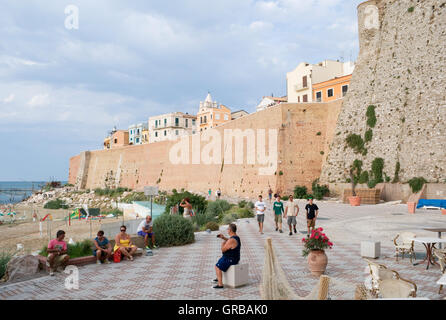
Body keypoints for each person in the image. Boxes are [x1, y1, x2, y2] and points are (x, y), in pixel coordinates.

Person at [213, 223, 241, 289]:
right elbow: (230, 241)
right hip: (233, 257)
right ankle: (219, 277)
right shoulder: (236, 237)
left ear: (230, 230)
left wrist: (223, 244)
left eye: (227, 229)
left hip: (231, 259)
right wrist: (223, 238)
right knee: (220, 261)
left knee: (217, 266)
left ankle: (220, 284)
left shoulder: (231, 240)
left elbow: (223, 250)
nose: (227, 230)